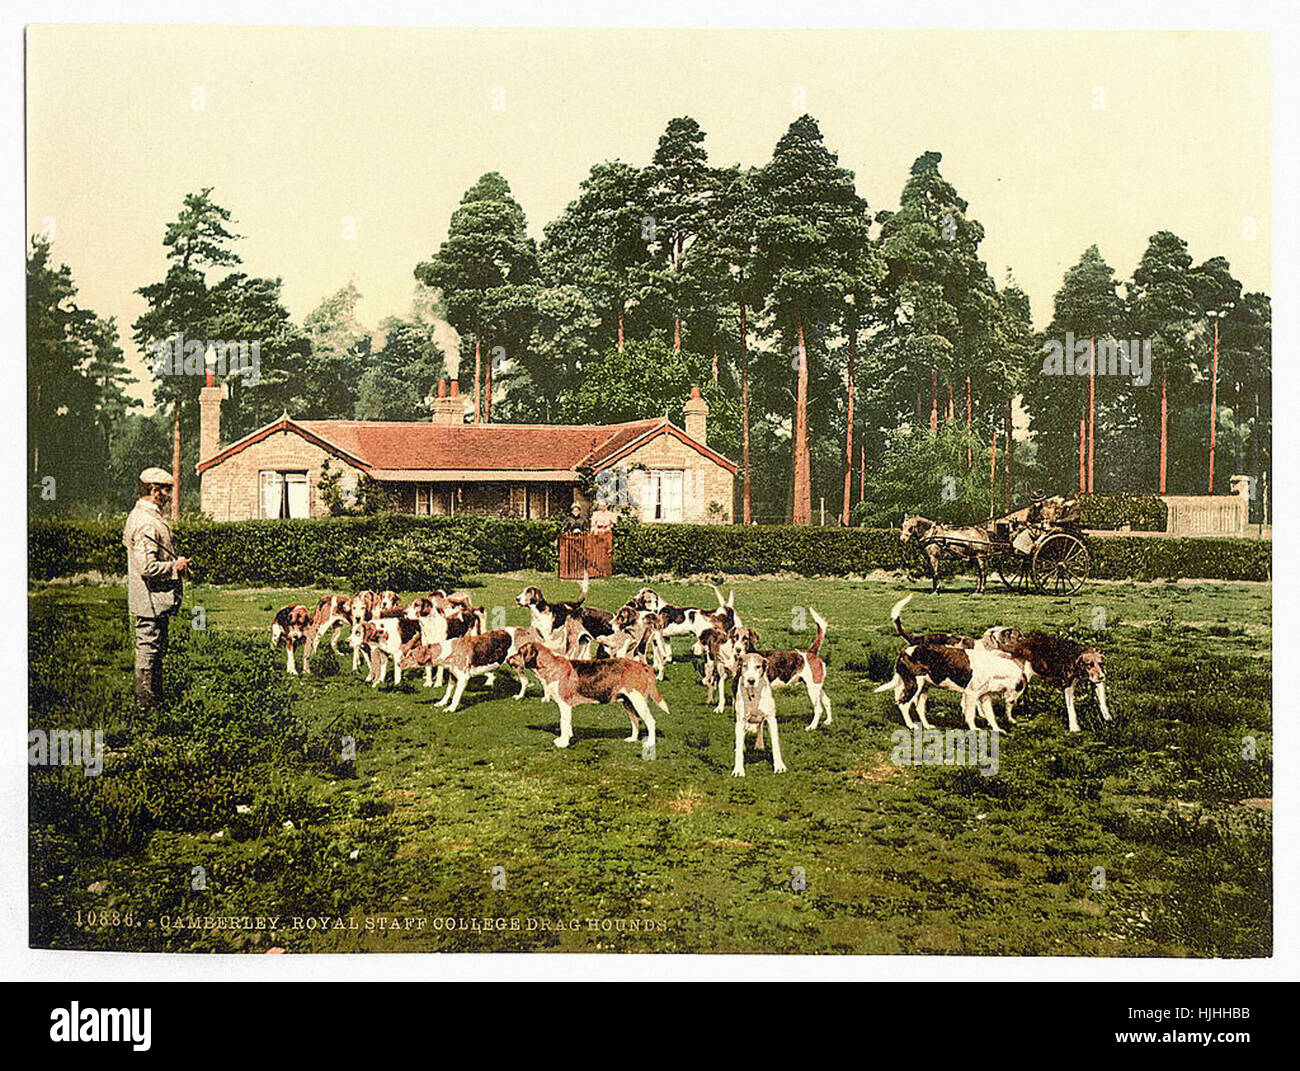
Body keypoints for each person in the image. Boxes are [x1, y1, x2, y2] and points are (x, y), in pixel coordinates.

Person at [122, 468, 188, 712]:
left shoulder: (141, 516)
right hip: (149, 600)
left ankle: (153, 702)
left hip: (153, 599)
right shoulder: (146, 522)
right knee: (148, 649)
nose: (170, 495)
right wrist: (175, 566)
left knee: (155, 648)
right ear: (153, 490)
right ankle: (146, 706)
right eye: (166, 490)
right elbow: (147, 567)